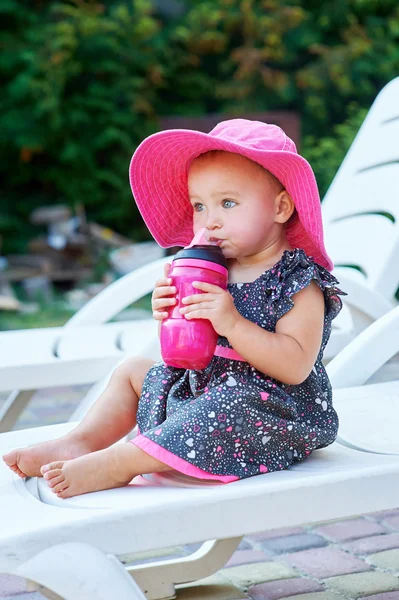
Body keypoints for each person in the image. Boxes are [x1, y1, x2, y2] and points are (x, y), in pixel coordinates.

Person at [3, 119, 344, 498]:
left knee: (227, 402)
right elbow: (191, 351)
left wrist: (231, 321)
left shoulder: (298, 281)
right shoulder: (213, 269)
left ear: (281, 207)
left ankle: (122, 463)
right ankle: (81, 441)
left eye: (228, 203)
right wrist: (170, 311)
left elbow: (295, 367)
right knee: (133, 370)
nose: (210, 220)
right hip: (204, 394)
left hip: (269, 414)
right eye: (199, 205)